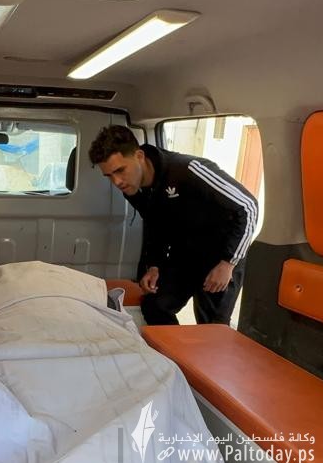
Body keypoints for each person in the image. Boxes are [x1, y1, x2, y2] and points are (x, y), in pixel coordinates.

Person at [89, 125, 258, 325]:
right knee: (154, 305)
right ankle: (171, 345)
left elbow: (248, 207)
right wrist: (154, 265)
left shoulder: (188, 170)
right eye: (109, 175)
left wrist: (228, 263)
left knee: (212, 327)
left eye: (120, 170)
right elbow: (155, 225)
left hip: (220, 255)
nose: (117, 182)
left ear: (139, 156)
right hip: (185, 255)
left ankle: (206, 342)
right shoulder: (133, 189)